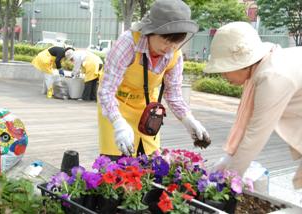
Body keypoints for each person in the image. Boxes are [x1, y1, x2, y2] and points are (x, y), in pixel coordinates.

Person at [97, 0, 211, 160]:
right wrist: (118, 123)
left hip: (147, 109)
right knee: (116, 162)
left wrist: (188, 120)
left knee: (151, 163)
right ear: (150, 31)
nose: (170, 48)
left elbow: (174, 94)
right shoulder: (127, 44)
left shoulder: (174, 54)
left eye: (176, 43)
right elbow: (106, 91)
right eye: (166, 40)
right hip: (116, 104)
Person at [205, 22, 302, 189]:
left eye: (224, 68)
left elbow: (255, 136)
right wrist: (229, 159)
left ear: (240, 64)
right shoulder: (268, 62)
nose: (223, 75)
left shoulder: (273, 76)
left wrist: (229, 181)